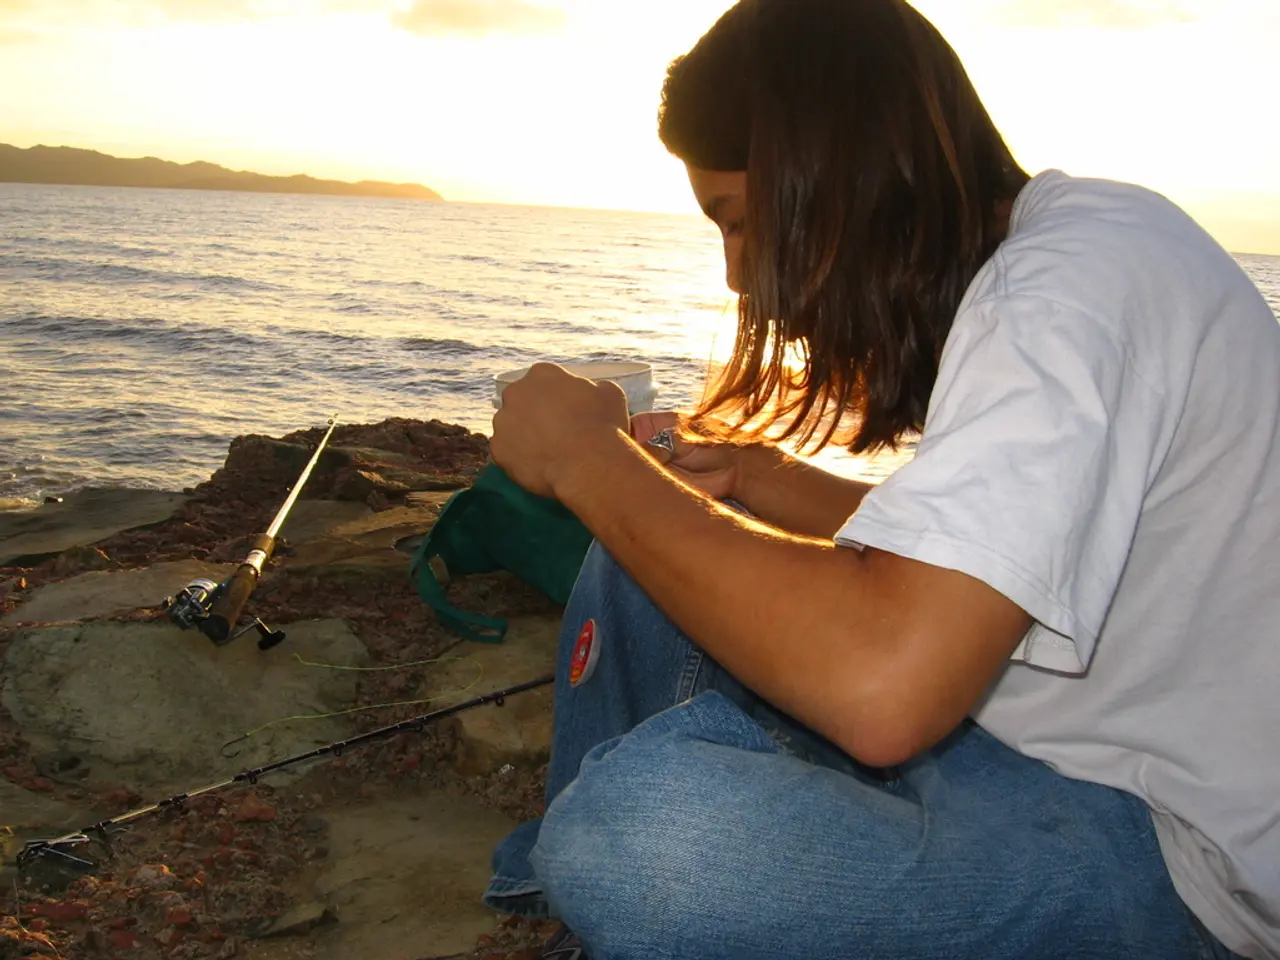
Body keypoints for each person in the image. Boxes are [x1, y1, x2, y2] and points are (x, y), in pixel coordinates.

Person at [484, 1, 1280, 958]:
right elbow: (989, 567)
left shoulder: (1061, 299)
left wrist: (589, 460)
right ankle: (574, 909)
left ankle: (602, 879)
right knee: (644, 555)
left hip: (1172, 859)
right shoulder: (1069, 255)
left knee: (648, 838)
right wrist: (755, 477)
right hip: (1025, 741)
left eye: (739, 223)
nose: (737, 276)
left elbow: (886, 689)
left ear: (835, 177)